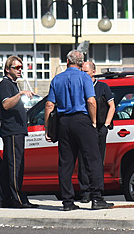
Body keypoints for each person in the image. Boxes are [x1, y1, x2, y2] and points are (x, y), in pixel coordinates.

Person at [44, 50, 113, 211]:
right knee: (93, 159)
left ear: (67, 62)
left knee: (65, 163)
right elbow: (91, 100)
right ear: (81, 64)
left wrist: (48, 129)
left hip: (63, 122)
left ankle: (67, 201)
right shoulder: (84, 77)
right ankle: (97, 198)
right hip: (82, 120)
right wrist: (94, 121)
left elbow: (49, 105)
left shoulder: (56, 79)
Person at [0, 55, 38, 209]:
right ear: (8, 69)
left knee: (8, 166)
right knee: (15, 165)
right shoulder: (5, 85)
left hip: (17, 130)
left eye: (21, 67)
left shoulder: (13, 85)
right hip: (12, 131)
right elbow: (6, 104)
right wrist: (20, 95)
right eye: (17, 67)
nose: (20, 70)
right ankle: (18, 199)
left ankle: (5, 198)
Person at [78, 60, 116, 203]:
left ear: (93, 72)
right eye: (82, 71)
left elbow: (111, 106)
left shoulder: (102, 87)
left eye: (86, 71)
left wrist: (106, 125)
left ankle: (97, 192)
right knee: (83, 160)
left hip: (99, 128)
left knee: (97, 160)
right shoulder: (80, 86)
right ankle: (85, 191)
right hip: (84, 127)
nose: (84, 74)